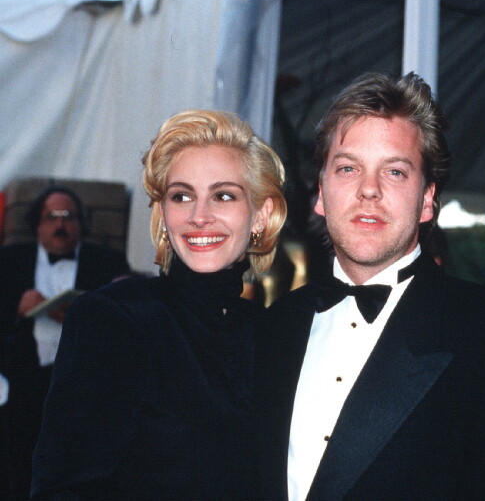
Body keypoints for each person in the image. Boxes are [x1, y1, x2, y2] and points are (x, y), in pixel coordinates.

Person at [253, 72, 485, 501]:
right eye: (348, 168)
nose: (369, 190)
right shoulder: (271, 329)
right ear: (321, 194)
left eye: (395, 172)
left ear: (426, 201)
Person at [31, 110, 287, 500]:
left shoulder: (275, 334)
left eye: (223, 195)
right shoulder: (115, 319)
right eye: (181, 196)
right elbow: (65, 487)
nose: (199, 216)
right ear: (163, 215)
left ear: (260, 214)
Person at [0, 185, 130, 501]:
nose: (60, 225)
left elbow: (127, 317)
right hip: (24, 378)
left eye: (68, 217)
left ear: (81, 224)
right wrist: (15, 307)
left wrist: (102, 306)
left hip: (83, 379)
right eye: (52, 217)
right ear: (37, 225)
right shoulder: (10, 260)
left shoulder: (107, 262)